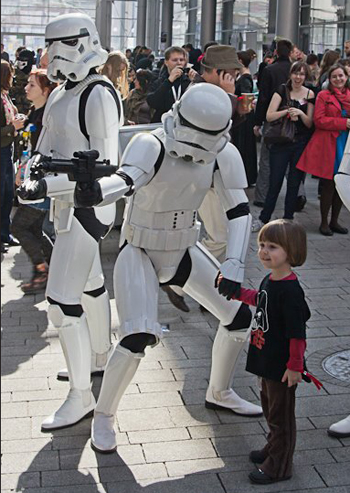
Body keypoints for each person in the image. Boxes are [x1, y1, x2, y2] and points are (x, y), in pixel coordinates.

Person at [70, 83, 262, 453]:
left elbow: (238, 210)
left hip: (184, 248)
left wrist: (236, 261)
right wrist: (95, 191)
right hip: (140, 248)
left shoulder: (224, 153)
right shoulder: (150, 143)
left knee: (239, 319)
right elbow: (126, 180)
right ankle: (104, 414)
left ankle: (220, 391)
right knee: (135, 337)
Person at [17, 13, 123, 431]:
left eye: (57, 44)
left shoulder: (97, 94)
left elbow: (107, 167)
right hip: (65, 204)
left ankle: (81, 396)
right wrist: (34, 176)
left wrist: (49, 185)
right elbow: (44, 149)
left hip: (86, 207)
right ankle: (97, 357)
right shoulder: (63, 93)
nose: (50, 54)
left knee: (62, 303)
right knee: (91, 284)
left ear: (78, 43)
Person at [223, 219, 312, 484]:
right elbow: (261, 298)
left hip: (282, 365)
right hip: (266, 357)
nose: (263, 251)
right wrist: (237, 293)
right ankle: (273, 448)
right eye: (262, 245)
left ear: (291, 251)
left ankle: (280, 465)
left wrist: (295, 366)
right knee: (269, 407)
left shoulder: (291, 291)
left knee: (280, 415)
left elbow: (297, 334)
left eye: (272, 246)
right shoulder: (271, 279)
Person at [252, 62, 315, 232]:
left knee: (294, 183)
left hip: (300, 144)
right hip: (280, 143)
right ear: (290, 74)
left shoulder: (310, 94)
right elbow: (269, 115)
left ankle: (288, 218)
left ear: (306, 76)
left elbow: (309, 123)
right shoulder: (282, 90)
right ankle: (264, 218)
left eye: (302, 74)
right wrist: (287, 111)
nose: (298, 77)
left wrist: (300, 113)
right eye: (295, 73)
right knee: (275, 181)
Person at [11, 69, 57, 294]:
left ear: (46, 90)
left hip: (40, 181)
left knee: (19, 226)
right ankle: (54, 270)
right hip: (30, 178)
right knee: (35, 229)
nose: (26, 88)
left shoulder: (48, 117)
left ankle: (43, 270)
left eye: (32, 85)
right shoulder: (35, 112)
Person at [297, 63, 349, 236]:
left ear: (346, 77)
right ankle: (324, 222)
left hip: (345, 143)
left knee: (342, 184)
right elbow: (319, 120)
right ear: (329, 79)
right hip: (329, 144)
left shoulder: (349, 95)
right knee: (328, 184)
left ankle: (335, 221)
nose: (338, 79)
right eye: (334, 76)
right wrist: (344, 123)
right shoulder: (323, 95)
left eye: (341, 76)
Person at [253, 38, 293, 208]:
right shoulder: (296, 70)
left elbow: (263, 98)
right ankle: (297, 195)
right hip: (294, 119)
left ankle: (262, 197)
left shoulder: (270, 70)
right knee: (293, 160)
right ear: (290, 52)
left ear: (275, 51)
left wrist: (258, 121)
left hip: (273, 119)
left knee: (267, 160)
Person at [1, 60, 25, 253]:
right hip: (2, 150)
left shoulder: (4, 95)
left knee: (7, 193)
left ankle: (4, 232)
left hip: (7, 149)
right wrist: (12, 127)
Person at [232, 50, 257, 187]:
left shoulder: (245, 78)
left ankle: (245, 175)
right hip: (245, 116)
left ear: (240, 61)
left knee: (243, 145)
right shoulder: (244, 76)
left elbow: (246, 98)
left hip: (244, 118)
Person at [147, 46, 190, 123]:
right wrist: (169, 81)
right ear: (166, 62)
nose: (179, 63)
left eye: (182, 60)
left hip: (185, 124)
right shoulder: (158, 80)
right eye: (174, 60)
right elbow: (152, 102)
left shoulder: (188, 81)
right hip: (162, 123)